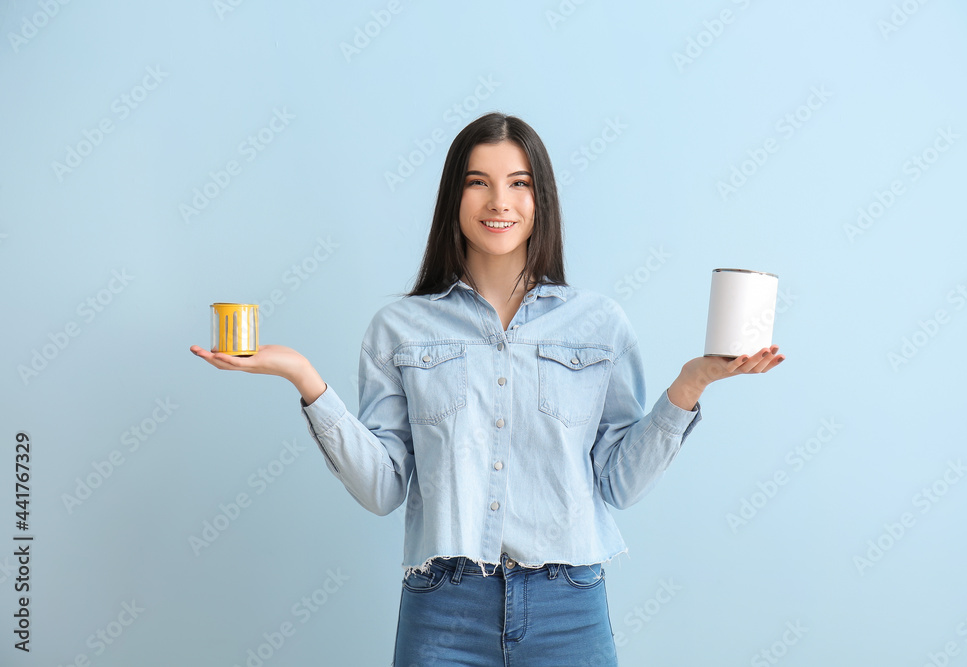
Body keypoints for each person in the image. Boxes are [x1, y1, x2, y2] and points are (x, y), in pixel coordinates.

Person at [191, 112, 784, 666]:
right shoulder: (399, 329)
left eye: (518, 183)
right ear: (455, 197)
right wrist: (304, 378)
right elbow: (381, 488)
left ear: (540, 199)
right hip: (443, 606)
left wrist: (692, 383)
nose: (499, 201)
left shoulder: (600, 325)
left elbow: (618, 484)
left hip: (568, 605)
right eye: (479, 182)